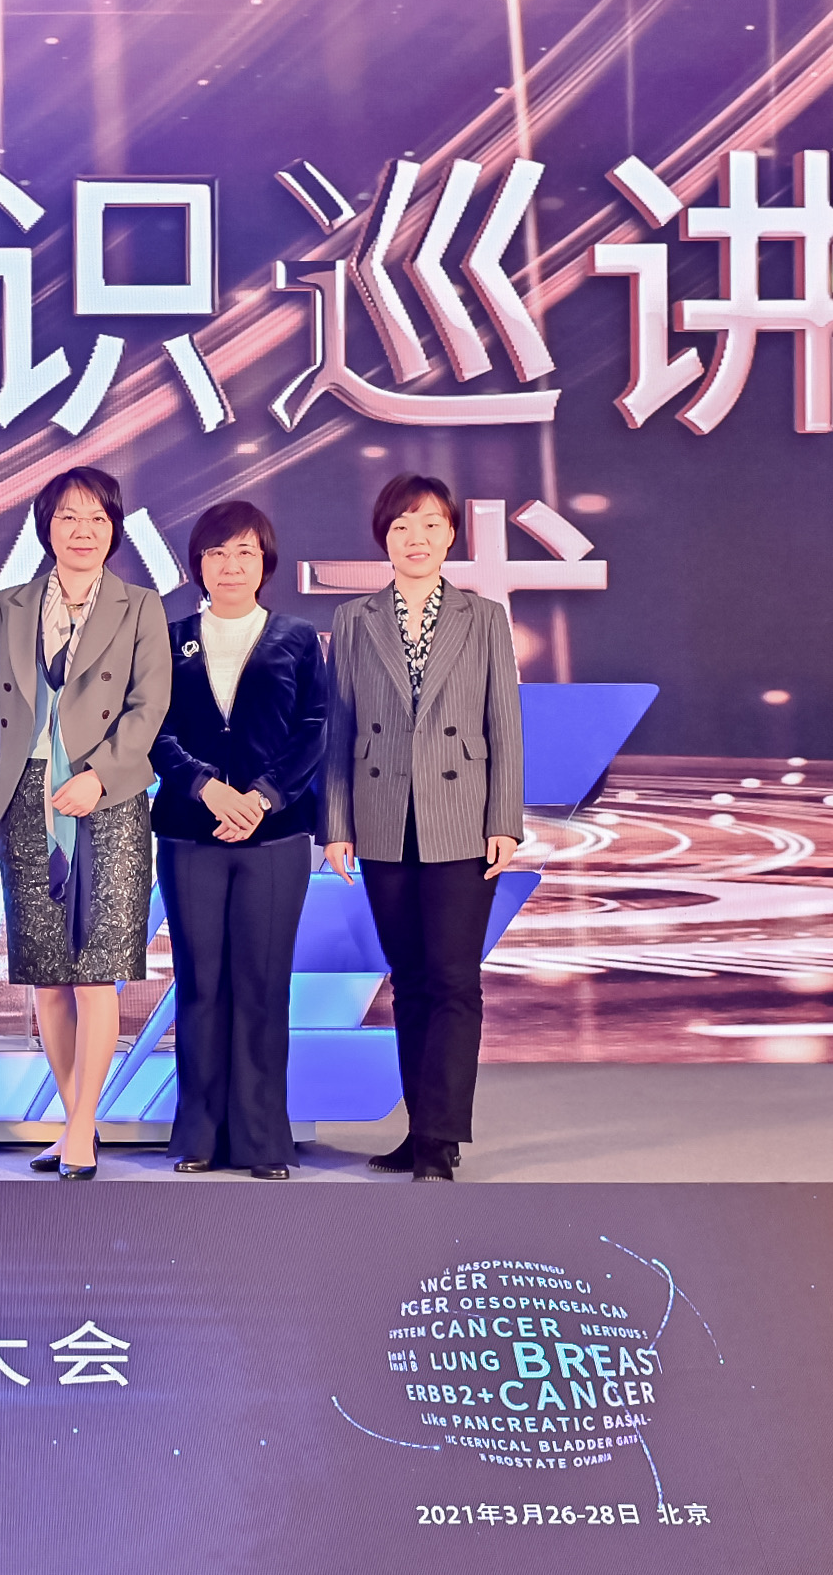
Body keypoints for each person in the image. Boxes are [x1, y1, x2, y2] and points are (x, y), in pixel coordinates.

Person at [321, 472, 523, 1183]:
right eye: (402, 525)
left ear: (451, 535)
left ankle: (441, 1138)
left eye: (431, 524)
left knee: (454, 979)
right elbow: (339, 727)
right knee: (407, 980)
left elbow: (504, 723)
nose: (417, 537)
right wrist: (336, 823)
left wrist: (505, 819)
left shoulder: (483, 617)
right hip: (381, 816)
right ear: (384, 536)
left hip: (461, 816)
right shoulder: (354, 619)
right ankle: (418, 1130)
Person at [0, 467, 171, 1180]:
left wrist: (101, 776)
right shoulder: (10, 606)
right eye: (67, 517)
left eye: (96, 518)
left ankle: (84, 1129)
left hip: (109, 798)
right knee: (47, 978)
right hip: (27, 796)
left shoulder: (139, 606)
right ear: (46, 528)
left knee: (96, 975)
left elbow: (150, 706)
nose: (82, 531)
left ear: (114, 528)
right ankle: (72, 1122)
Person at [149, 502, 328, 1180]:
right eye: (217, 553)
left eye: (245, 552)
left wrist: (261, 798)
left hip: (275, 835)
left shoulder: (296, 639)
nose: (231, 566)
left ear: (265, 562)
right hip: (189, 832)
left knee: (262, 985)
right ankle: (197, 1135)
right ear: (198, 564)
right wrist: (204, 787)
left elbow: (314, 728)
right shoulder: (168, 639)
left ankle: (262, 1140)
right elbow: (153, 728)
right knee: (199, 985)